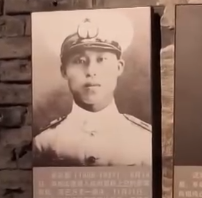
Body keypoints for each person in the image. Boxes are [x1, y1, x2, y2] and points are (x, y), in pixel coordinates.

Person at [33, 12, 152, 167]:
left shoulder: (145, 140)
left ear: (119, 67)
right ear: (64, 71)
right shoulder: (43, 144)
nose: (90, 71)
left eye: (101, 59)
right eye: (79, 61)